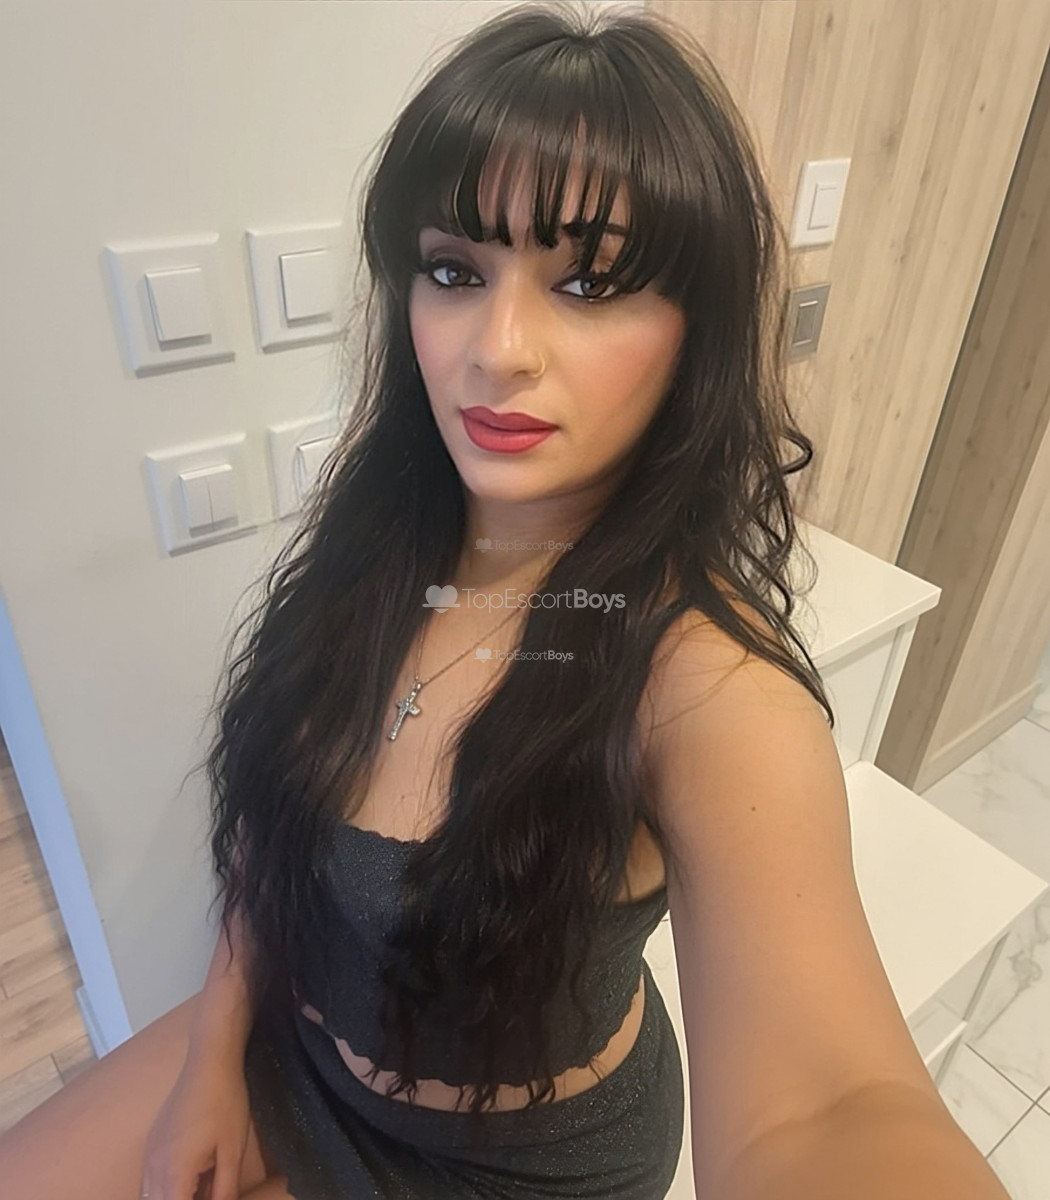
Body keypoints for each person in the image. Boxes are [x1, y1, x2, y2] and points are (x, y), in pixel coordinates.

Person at [0, 4, 1012, 1199]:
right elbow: (266, 846)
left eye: (588, 281)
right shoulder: (375, 546)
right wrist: (211, 1058)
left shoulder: (701, 684)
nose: (499, 347)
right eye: (454, 272)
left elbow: (832, 1108)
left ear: (695, 329)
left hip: (520, 1168)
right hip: (300, 1057)